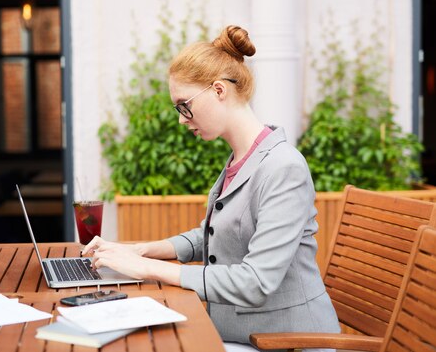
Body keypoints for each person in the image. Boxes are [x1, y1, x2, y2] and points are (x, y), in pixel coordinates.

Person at [82, 25, 340, 350]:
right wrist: (141, 250)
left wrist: (149, 268)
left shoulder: (283, 167)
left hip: (288, 341)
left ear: (219, 91)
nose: (181, 119)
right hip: (242, 331)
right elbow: (213, 234)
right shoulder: (242, 158)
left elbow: (257, 282)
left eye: (183, 105)